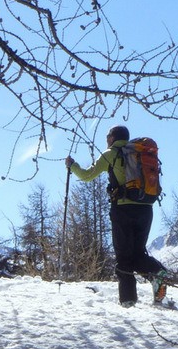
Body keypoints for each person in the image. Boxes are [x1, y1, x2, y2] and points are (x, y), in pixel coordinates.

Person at [67, 125, 171, 307]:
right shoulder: (137, 154)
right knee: (138, 252)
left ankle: (128, 301)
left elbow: (86, 176)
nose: (106, 139)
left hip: (123, 209)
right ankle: (156, 272)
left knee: (123, 256)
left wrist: (72, 166)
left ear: (113, 137)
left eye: (108, 135)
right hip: (146, 208)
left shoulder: (111, 153)